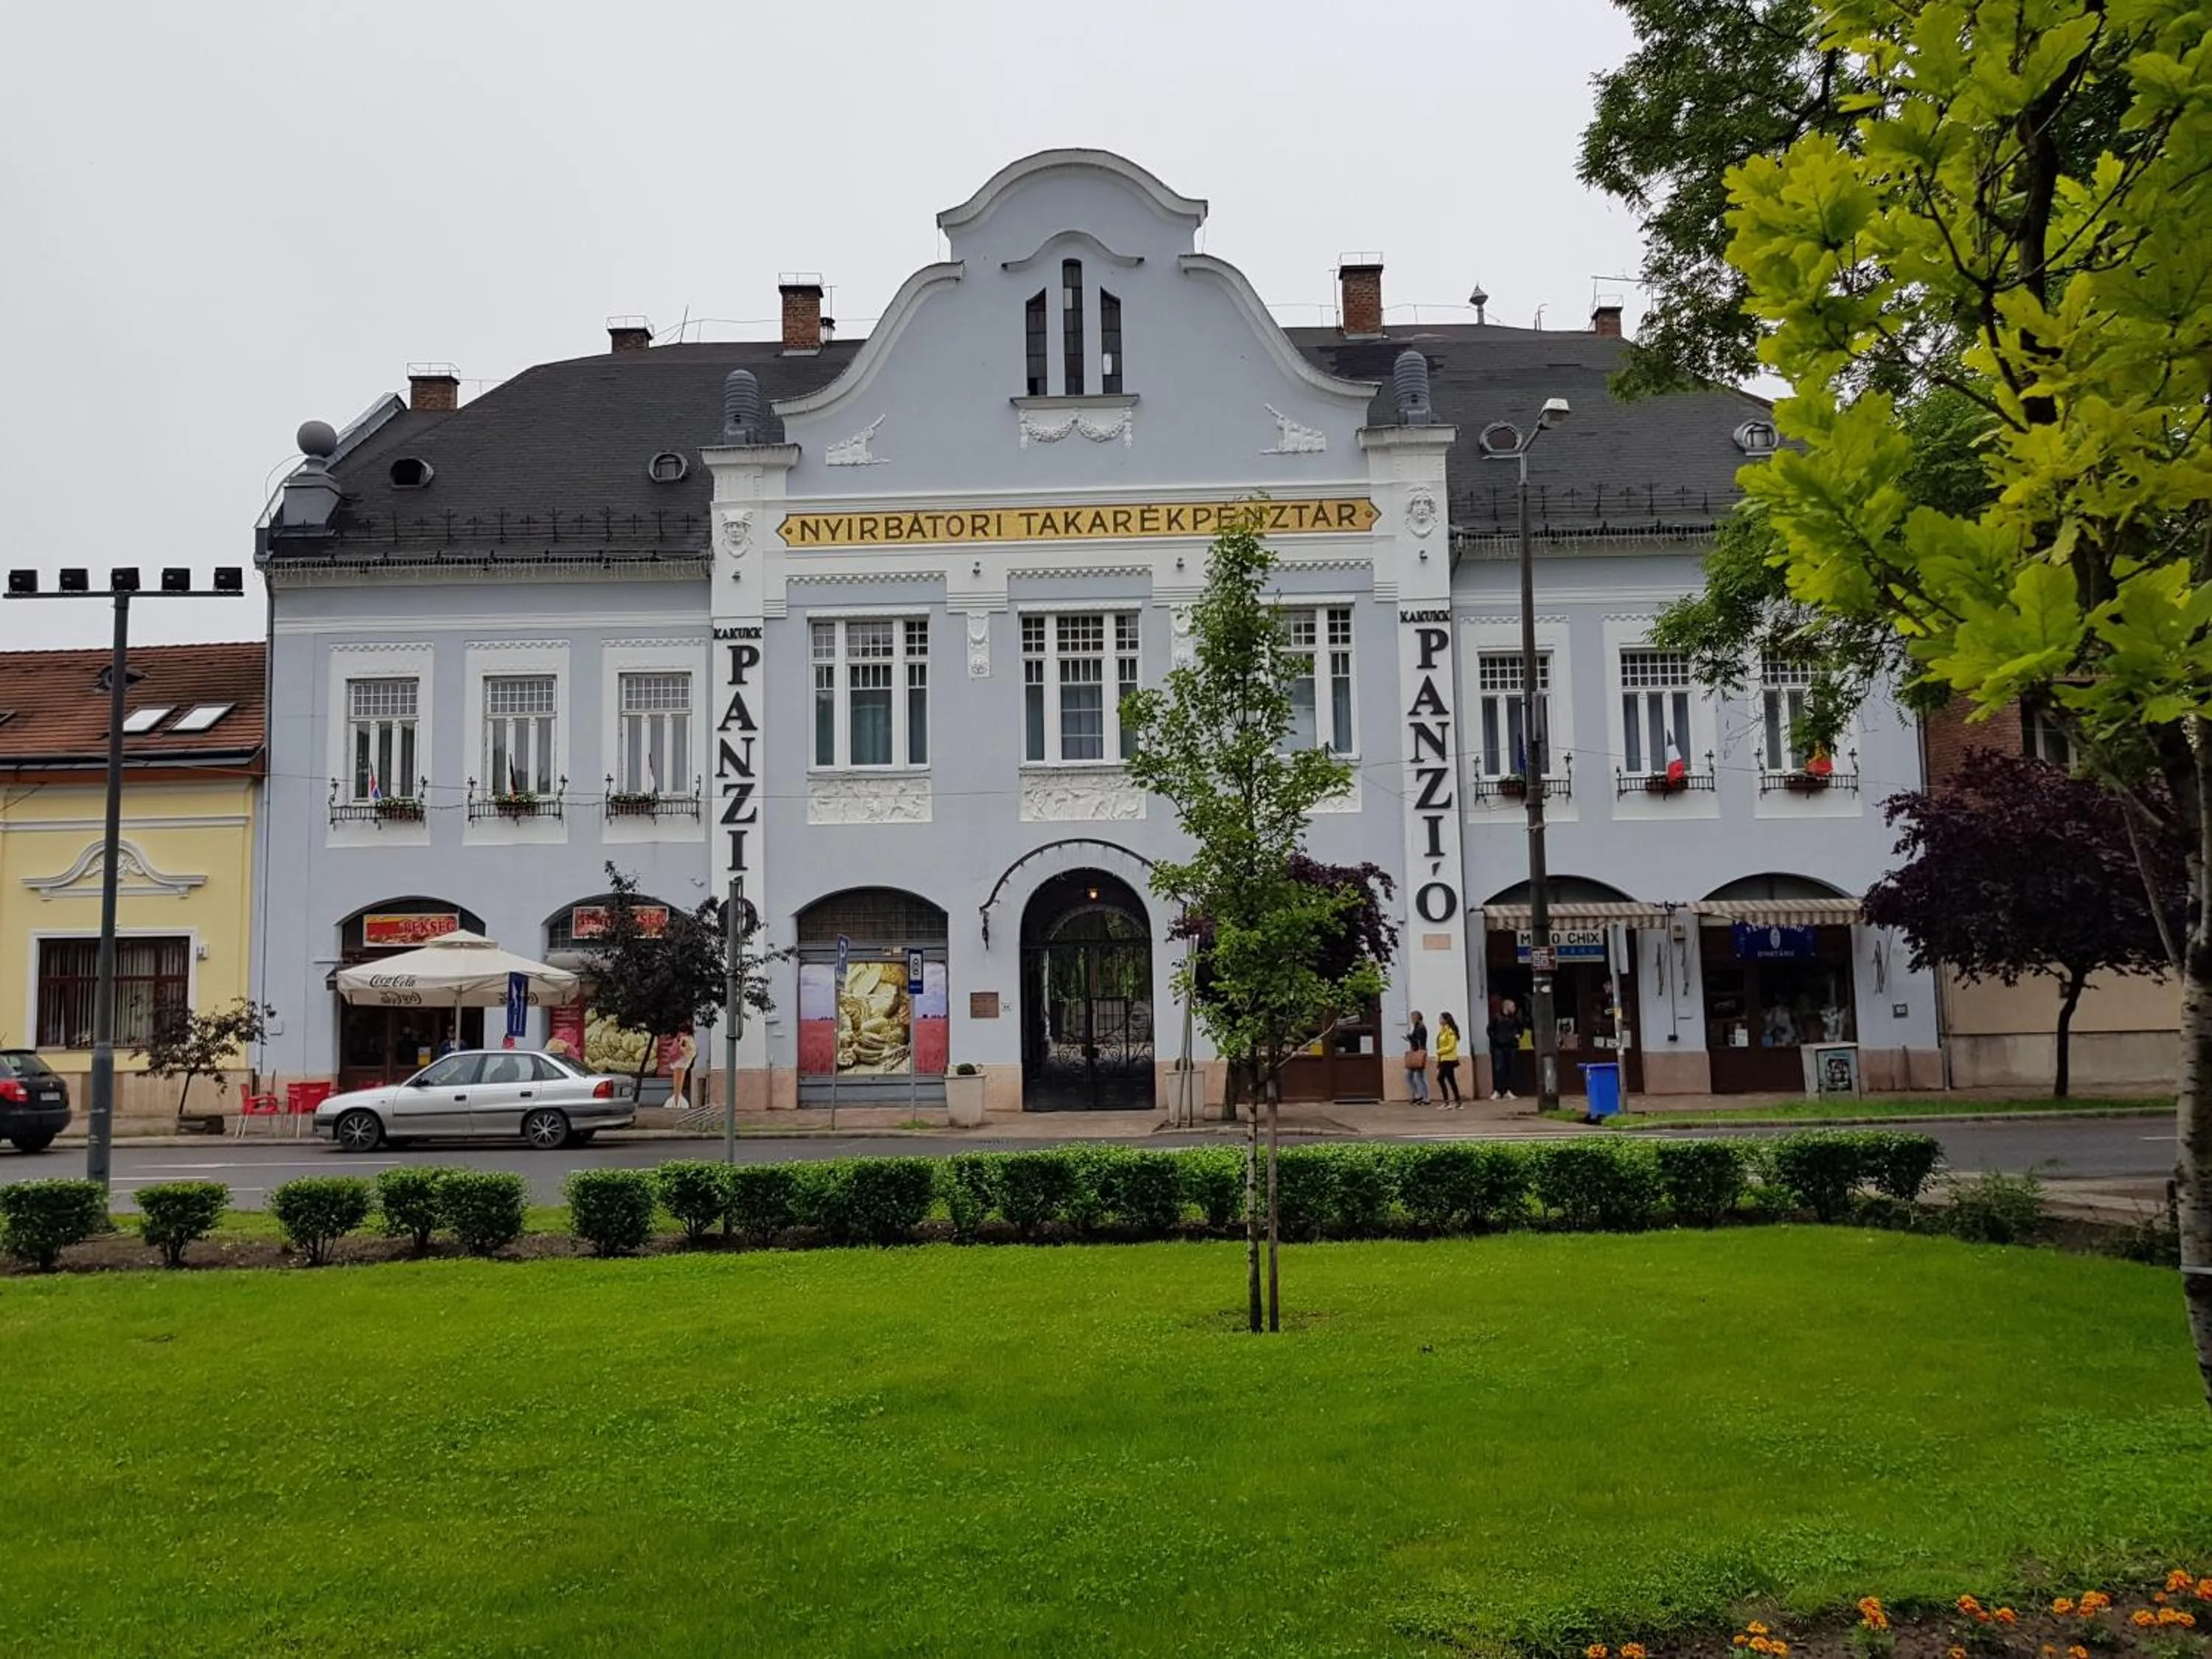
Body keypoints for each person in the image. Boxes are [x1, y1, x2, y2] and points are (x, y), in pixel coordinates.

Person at [1486, 999, 1522, 1100]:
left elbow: (1520, 1029)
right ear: (1507, 1007)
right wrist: (1496, 1039)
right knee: (1499, 1069)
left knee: (1510, 1069)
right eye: (1513, 1006)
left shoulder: (1515, 1018)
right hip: (1499, 1047)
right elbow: (1490, 1030)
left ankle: (1508, 1090)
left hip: (1511, 1047)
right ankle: (1498, 1090)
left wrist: (1518, 1036)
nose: (1514, 1009)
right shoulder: (1496, 1017)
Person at [1435, 1012, 1464, 1108]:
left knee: (1441, 1078)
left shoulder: (1450, 1031)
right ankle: (1456, 1101)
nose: (1439, 1020)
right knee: (1450, 1080)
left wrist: (1440, 1051)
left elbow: (1451, 1046)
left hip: (1449, 1059)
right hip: (1443, 1059)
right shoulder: (1442, 1030)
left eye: (1441, 1018)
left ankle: (1449, 1102)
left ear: (1446, 1020)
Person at [1404, 1009, 1430, 1105]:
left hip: (1418, 1054)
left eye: (1413, 1017)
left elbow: (1420, 1041)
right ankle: (1418, 1095)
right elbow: (1415, 1040)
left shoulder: (1420, 1027)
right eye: (1412, 1017)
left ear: (1418, 1017)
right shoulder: (1417, 1027)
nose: (1412, 1019)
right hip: (1416, 1053)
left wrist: (1410, 1038)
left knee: (1420, 1076)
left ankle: (1425, 1097)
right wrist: (1410, 1038)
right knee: (1410, 1076)